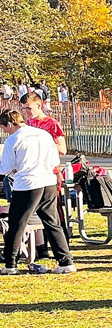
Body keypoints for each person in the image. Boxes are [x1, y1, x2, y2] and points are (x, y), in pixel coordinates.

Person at [0, 109, 75, 275]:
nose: (5, 131)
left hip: (27, 184)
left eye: (4, 128)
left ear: (10, 123)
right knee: (52, 223)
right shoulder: (44, 135)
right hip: (47, 181)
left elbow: (5, 168)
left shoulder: (14, 139)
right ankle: (65, 261)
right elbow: (55, 159)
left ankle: (10, 263)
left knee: (17, 224)